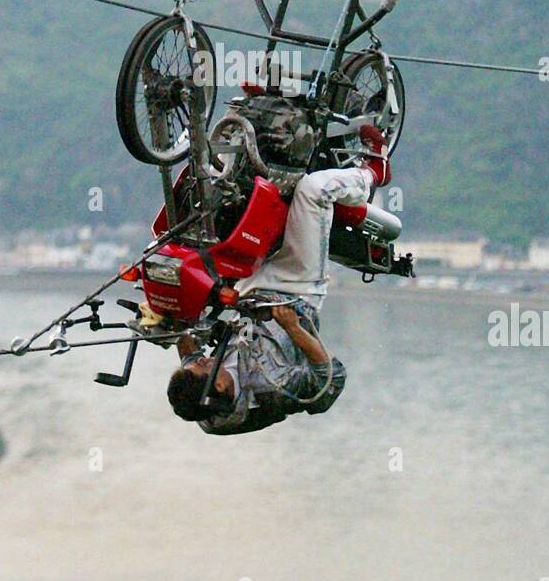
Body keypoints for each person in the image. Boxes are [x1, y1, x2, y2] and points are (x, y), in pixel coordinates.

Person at [166, 125, 390, 435]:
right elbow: (331, 381)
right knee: (314, 191)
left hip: (247, 290)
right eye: (203, 365)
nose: (202, 359)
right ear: (219, 384)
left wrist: (168, 316)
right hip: (295, 290)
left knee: (227, 202)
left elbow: (188, 351)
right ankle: (373, 172)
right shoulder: (272, 391)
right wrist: (293, 328)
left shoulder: (201, 398)